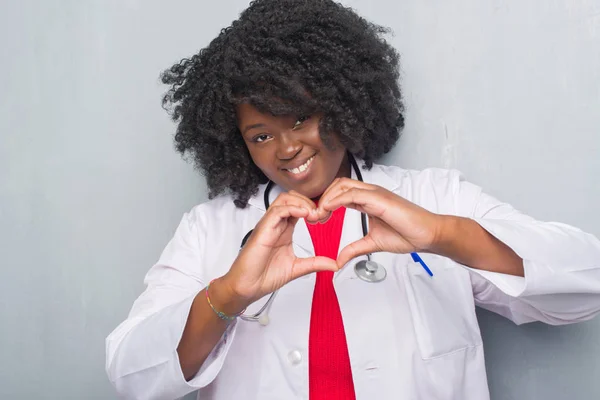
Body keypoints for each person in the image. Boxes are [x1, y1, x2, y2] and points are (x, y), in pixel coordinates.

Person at [105, 1, 600, 399]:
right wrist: (229, 295)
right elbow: (131, 374)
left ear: (341, 101)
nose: (287, 148)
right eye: (260, 135)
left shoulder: (433, 197)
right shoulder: (208, 229)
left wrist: (444, 234)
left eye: (299, 119)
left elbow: (585, 284)